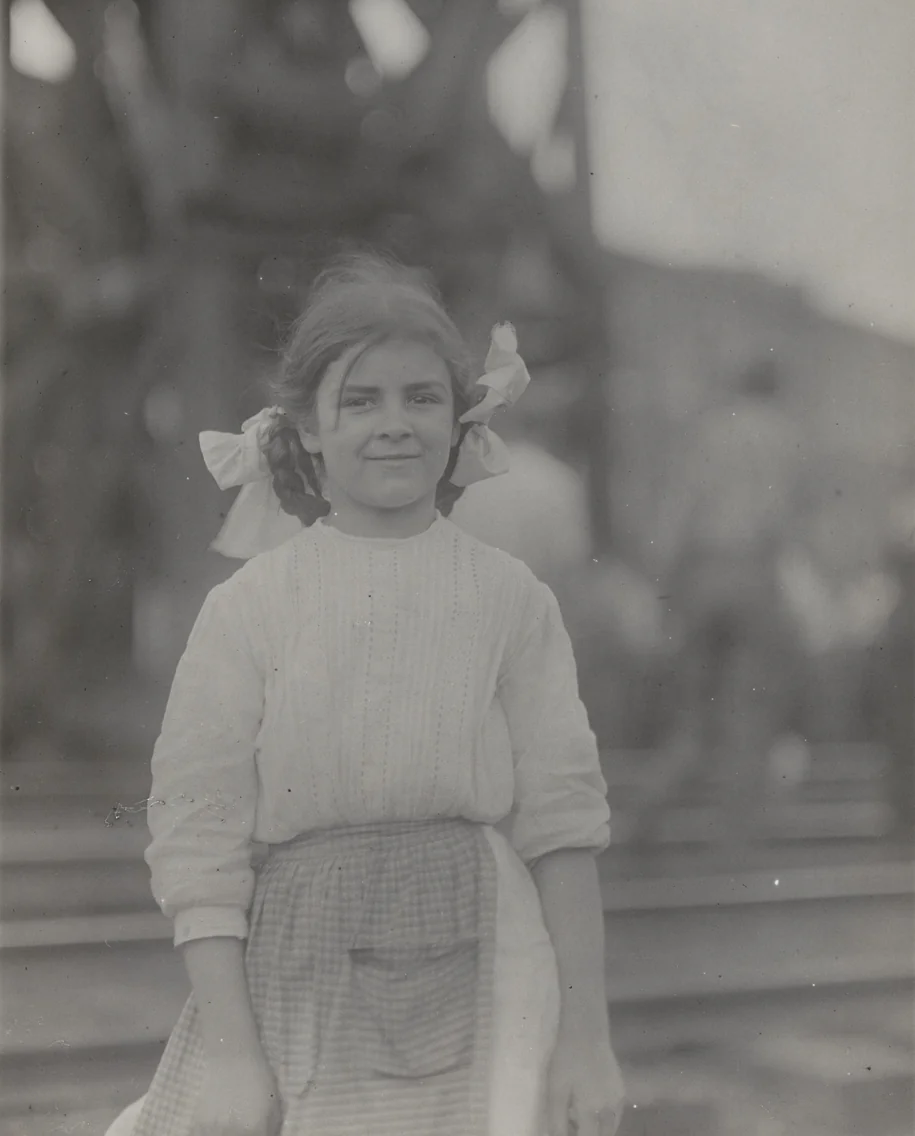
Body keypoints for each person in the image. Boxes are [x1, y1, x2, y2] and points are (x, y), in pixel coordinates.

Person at [105, 254, 625, 1136]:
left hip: (485, 956)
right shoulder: (249, 609)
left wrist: (587, 1040)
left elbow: (562, 823)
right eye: (360, 400)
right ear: (306, 428)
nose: (394, 425)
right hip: (298, 971)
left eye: (422, 398)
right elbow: (197, 836)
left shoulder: (508, 599)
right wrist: (235, 1055)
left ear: (460, 420)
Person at [623, 357, 801, 856]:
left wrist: (663, 585)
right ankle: (734, 842)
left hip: (703, 572)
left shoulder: (711, 430)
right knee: (749, 712)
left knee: (693, 712)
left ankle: (645, 814)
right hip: (755, 573)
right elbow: (783, 520)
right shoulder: (786, 435)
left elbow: (678, 509)